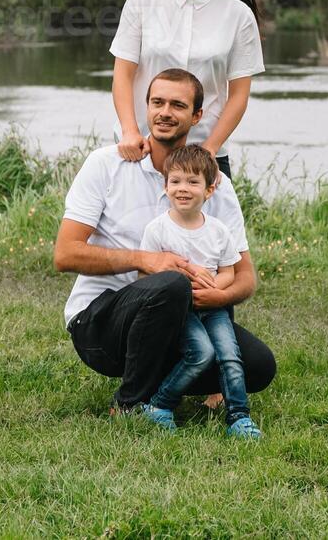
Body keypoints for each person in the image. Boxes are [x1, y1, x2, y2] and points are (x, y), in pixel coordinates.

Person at [54, 67, 275, 418]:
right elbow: (65, 254)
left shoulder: (215, 183)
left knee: (259, 366)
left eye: (177, 105)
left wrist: (218, 295)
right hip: (101, 324)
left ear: (197, 115)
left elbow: (245, 277)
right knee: (170, 282)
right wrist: (146, 260)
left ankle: (174, 386)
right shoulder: (105, 165)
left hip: (185, 318)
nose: (165, 112)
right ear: (146, 107)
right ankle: (129, 403)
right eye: (157, 102)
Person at [110, 0, 264, 182]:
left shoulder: (238, 15)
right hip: (142, 150)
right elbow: (123, 74)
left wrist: (210, 149)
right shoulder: (141, 2)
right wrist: (129, 131)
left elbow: (239, 95)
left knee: (210, 226)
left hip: (204, 154)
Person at [137, 145, 262, 438]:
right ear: (165, 186)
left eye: (193, 182)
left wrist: (213, 289)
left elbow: (229, 271)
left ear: (209, 190)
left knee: (230, 354)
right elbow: (145, 274)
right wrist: (184, 289)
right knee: (201, 353)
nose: (183, 188)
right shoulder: (157, 230)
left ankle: (239, 417)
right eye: (176, 181)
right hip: (181, 311)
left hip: (214, 307)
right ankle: (161, 405)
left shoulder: (218, 231)